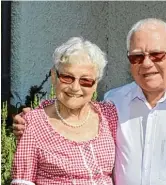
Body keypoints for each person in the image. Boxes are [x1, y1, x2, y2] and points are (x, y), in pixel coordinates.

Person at [13, 18, 166, 185]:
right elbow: (72, 104)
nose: (146, 64)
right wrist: (34, 118)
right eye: (137, 56)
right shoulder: (114, 103)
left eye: (156, 55)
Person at [11, 37, 118, 185]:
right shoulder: (34, 123)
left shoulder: (108, 115)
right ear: (54, 77)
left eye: (85, 80)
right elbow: (22, 181)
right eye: (67, 77)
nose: (75, 88)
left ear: (95, 84)